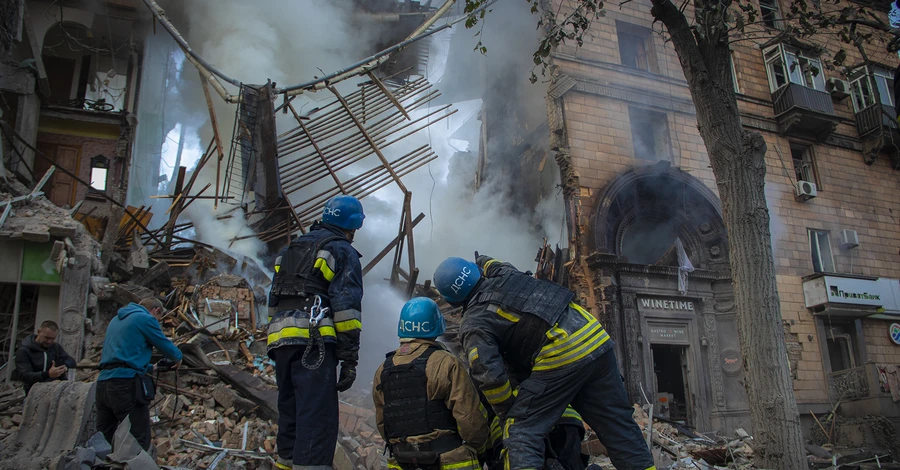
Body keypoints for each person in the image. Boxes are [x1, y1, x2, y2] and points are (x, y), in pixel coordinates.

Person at [433, 255, 656, 470]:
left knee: (520, 431)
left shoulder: (474, 322)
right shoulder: (506, 273)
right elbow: (492, 263)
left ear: (452, 300)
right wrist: (480, 260)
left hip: (562, 353)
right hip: (596, 339)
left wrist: (508, 411)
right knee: (618, 425)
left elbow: (490, 377)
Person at [267, 194, 365, 470]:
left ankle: (285, 465)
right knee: (316, 416)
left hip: (280, 341)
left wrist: (277, 345)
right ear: (352, 226)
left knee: (291, 410)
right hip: (313, 343)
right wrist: (349, 359)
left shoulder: (290, 250)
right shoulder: (341, 250)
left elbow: (273, 301)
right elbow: (347, 311)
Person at [372, 297, 489, 470]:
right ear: (436, 325)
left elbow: (383, 425)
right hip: (447, 461)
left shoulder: (382, 370)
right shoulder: (446, 362)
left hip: (402, 462)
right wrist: (480, 449)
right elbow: (471, 421)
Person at [97, 297, 182, 450]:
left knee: (103, 438)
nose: (158, 322)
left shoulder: (116, 320)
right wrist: (178, 358)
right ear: (156, 310)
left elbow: (122, 355)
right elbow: (164, 344)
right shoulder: (145, 319)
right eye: (159, 318)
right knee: (138, 438)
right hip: (125, 385)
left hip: (103, 383)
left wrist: (152, 368)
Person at [14, 320, 77, 395]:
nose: (49, 341)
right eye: (46, 338)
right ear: (39, 332)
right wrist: (48, 374)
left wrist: (64, 367)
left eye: (53, 339)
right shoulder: (24, 351)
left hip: (54, 391)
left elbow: (71, 361)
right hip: (33, 392)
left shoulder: (55, 347)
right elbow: (25, 375)